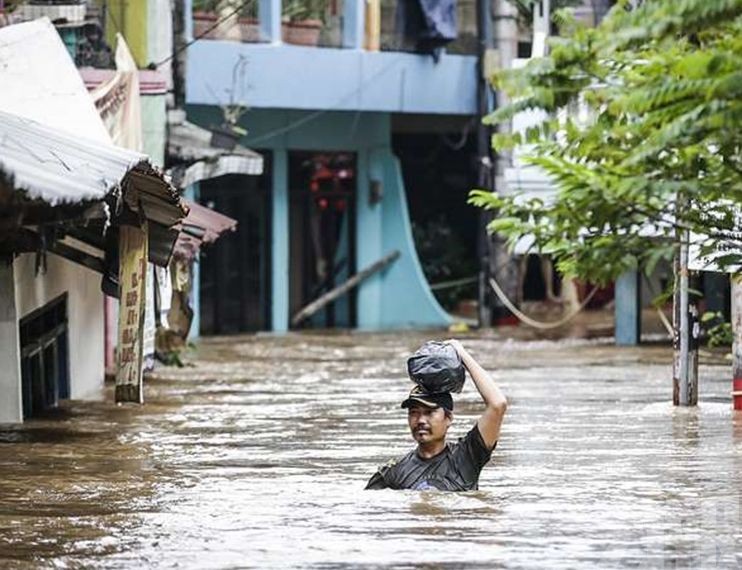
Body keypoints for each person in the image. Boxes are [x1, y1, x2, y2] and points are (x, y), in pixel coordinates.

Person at [365, 339, 507, 491]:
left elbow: (497, 404)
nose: (420, 420)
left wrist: (462, 354)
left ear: (449, 418)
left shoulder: (466, 456)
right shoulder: (393, 473)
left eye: (429, 412)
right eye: (414, 413)